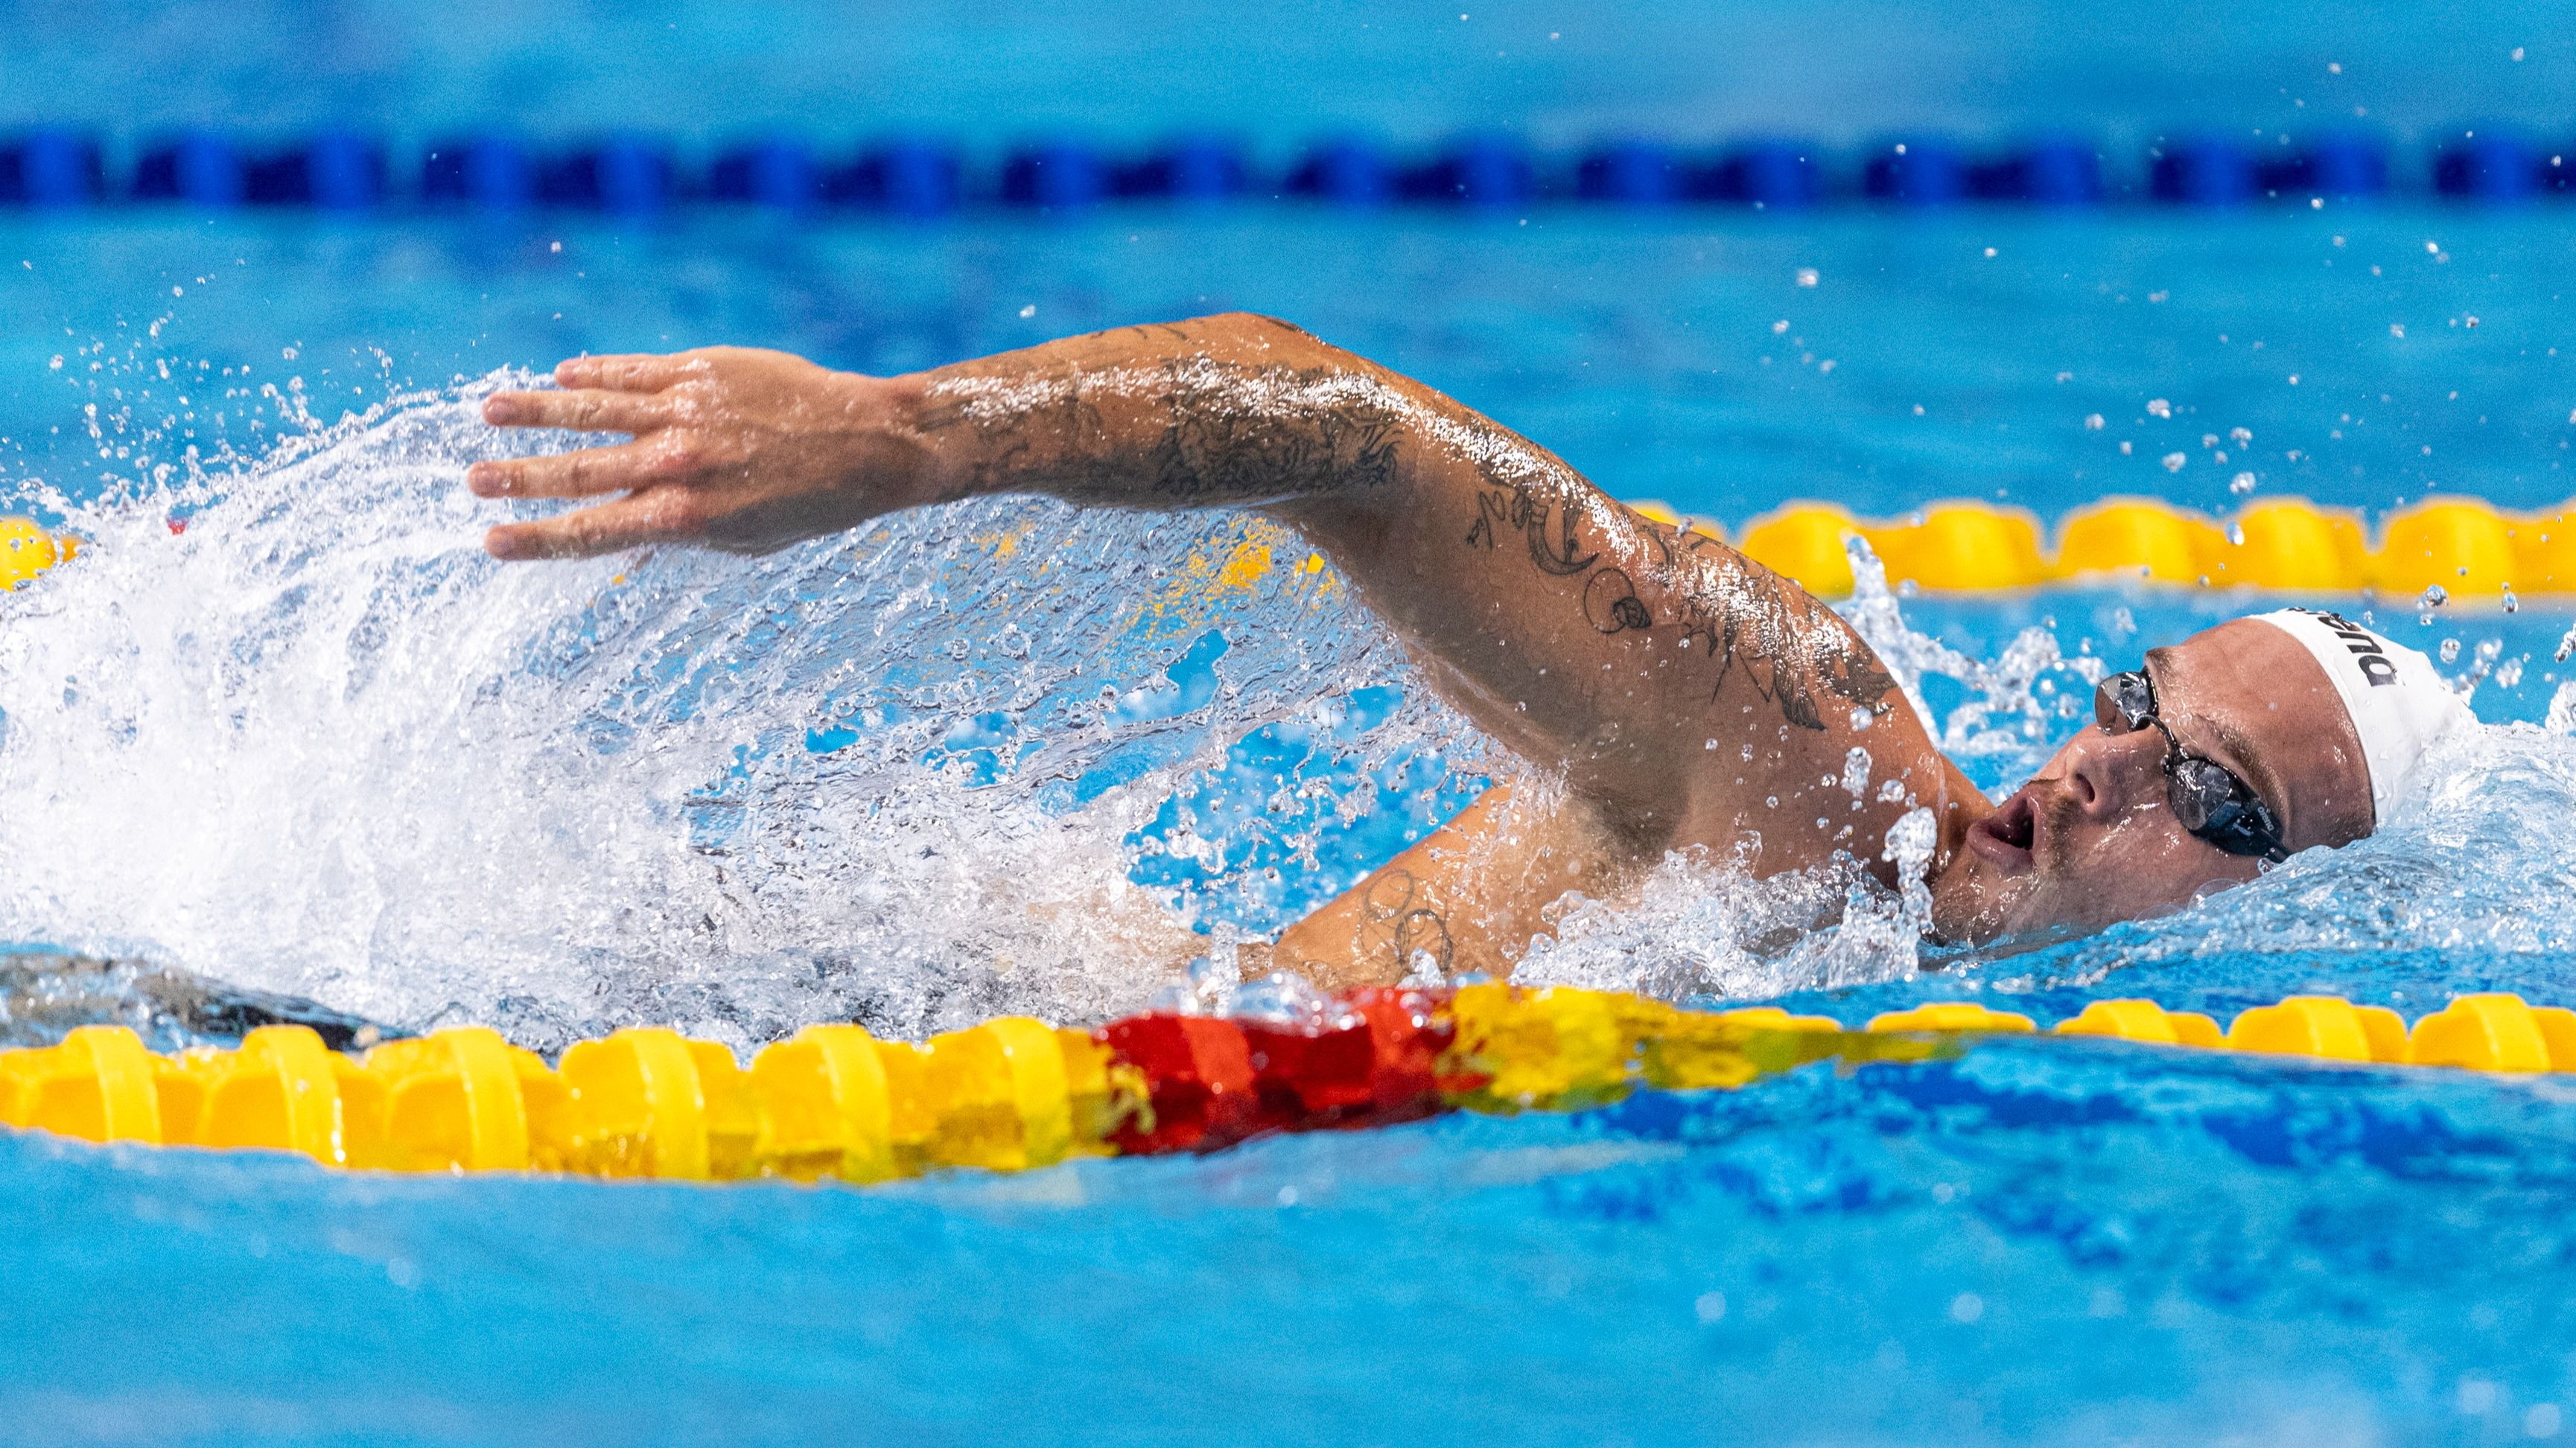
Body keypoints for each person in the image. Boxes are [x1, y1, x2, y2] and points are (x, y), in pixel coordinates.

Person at [465, 314, 2472, 986]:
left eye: (2205, 794)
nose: (2098, 766)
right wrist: (893, 440)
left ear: (2289, 914)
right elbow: (1332, 423)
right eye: (2134, 699)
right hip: (931, 1015)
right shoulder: (1816, 754)